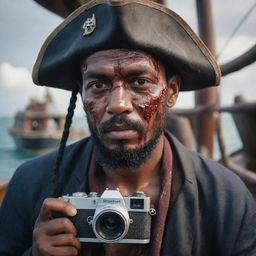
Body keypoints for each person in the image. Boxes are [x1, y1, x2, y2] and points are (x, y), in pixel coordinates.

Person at [0, 0, 256, 255]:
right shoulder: (30, 184)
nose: (118, 104)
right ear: (82, 94)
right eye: (98, 85)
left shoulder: (227, 200)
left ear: (172, 91)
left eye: (140, 81)